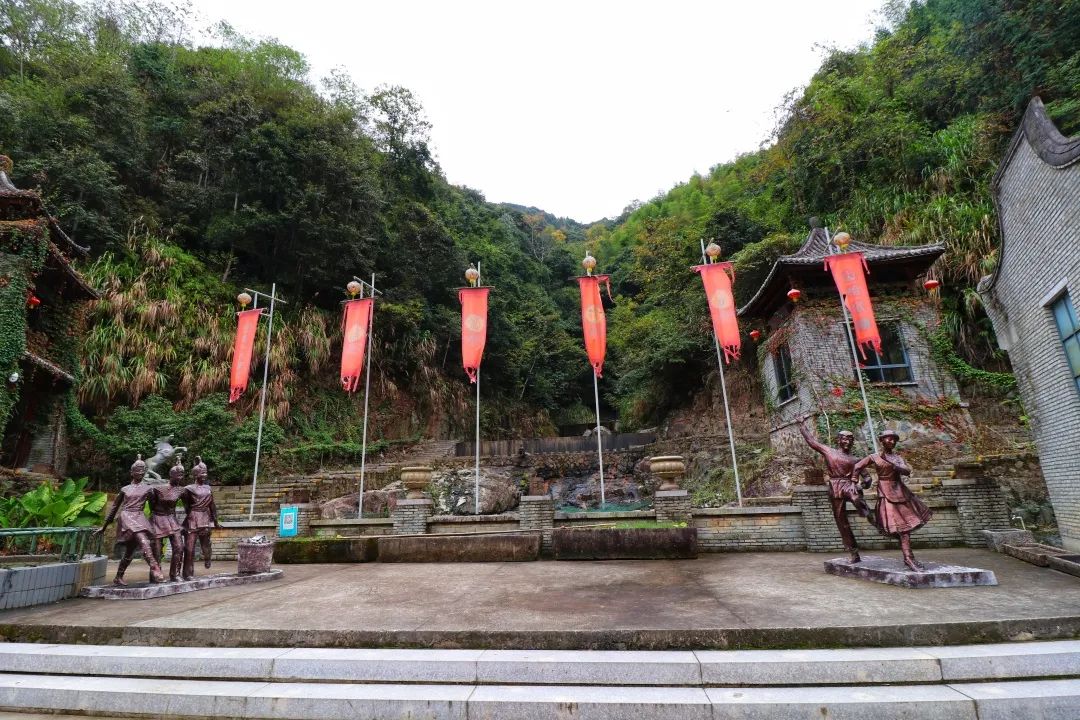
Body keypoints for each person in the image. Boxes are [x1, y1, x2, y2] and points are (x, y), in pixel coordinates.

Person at [851, 430, 933, 572]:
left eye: (894, 440)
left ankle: (908, 557)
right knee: (897, 528)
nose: (892, 442)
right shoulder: (874, 457)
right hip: (885, 493)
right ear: (882, 441)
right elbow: (857, 466)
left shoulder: (897, 457)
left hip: (900, 491)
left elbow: (907, 471)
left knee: (904, 528)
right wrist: (854, 482)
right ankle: (908, 557)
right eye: (889, 439)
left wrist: (896, 467)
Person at [797, 415, 873, 563]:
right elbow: (812, 442)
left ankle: (867, 513)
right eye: (845, 438)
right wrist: (802, 425)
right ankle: (853, 552)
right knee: (841, 520)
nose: (848, 442)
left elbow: (868, 478)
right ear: (838, 440)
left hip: (849, 485)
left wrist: (862, 485)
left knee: (856, 497)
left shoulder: (856, 460)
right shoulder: (829, 451)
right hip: (835, 486)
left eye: (851, 439)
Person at [94, 455, 164, 585]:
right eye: (137, 470)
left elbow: (155, 508)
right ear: (131, 472)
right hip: (127, 516)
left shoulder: (148, 489)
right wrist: (104, 527)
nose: (140, 472)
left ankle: (118, 577)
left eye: (143, 470)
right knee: (143, 540)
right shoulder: (124, 489)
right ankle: (154, 567)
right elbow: (114, 508)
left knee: (130, 550)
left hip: (139, 516)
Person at [181, 456, 222, 580]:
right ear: (195, 474)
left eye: (205, 472)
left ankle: (207, 558)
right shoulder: (188, 489)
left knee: (206, 545)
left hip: (205, 518)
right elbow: (186, 505)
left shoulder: (208, 488)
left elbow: (212, 505)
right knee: (189, 548)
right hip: (193, 518)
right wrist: (190, 515)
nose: (204, 475)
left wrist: (215, 521)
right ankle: (188, 573)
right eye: (202, 473)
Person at [149, 456, 186, 582]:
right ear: (171, 474)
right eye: (178, 474)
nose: (180, 477)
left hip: (172, 519)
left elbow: (188, 505)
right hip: (158, 518)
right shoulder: (158, 488)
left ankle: (175, 574)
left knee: (179, 547)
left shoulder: (181, 490)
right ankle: (156, 576)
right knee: (157, 551)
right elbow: (152, 504)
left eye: (182, 474)